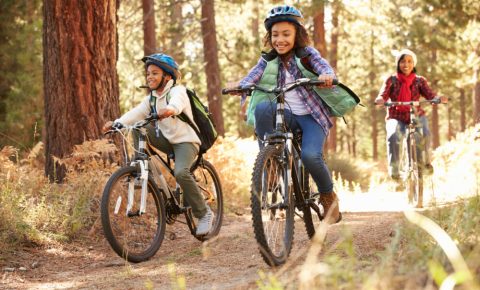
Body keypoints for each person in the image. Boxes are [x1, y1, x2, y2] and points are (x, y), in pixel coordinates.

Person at [226, 5, 341, 224]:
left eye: (286, 34)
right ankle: (271, 161)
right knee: (261, 109)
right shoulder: (268, 60)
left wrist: (326, 75)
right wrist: (240, 86)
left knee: (310, 156)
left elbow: (323, 66)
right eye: (275, 34)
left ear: (297, 34)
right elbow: (252, 76)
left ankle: (328, 196)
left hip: (311, 117)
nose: (280, 39)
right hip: (285, 115)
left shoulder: (307, 54)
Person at [103, 53, 214, 236]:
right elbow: (136, 113)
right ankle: (139, 164)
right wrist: (117, 123)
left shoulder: (178, 91)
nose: (150, 77)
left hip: (186, 141)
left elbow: (177, 104)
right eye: (148, 74)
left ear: (168, 76)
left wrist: (169, 110)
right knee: (138, 126)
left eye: (155, 73)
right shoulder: (152, 98)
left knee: (180, 172)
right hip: (168, 141)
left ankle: (204, 214)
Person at [374, 49, 447, 184]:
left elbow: (430, 95)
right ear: (398, 64)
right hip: (396, 115)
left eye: (409, 61)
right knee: (393, 136)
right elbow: (383, 94)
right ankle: (395, 171)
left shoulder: (419, 81)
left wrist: (437, 98)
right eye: (403, 61)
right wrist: (380, 99)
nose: (406, 64)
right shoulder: (391, 80)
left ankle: (425, 163)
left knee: (425, 133)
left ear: (413, 64)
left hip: (416, 114)